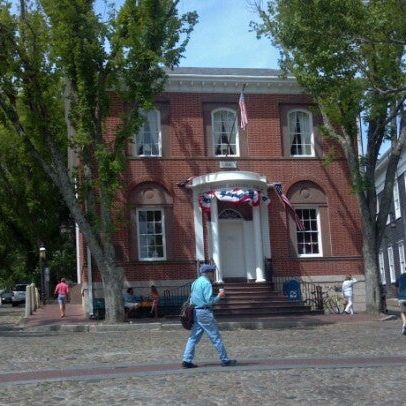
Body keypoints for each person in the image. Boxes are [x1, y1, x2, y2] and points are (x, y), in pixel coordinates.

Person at [182, 264, 237, 368]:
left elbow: (192, 299)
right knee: (215, 337)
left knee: (193, 337)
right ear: (209, 273)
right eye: (212, 272)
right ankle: (225, 360)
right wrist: (219, 296)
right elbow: (209, 300)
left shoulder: (195, 282)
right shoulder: (206, 283)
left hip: (196, 311)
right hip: (204, 312)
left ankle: (186, 359)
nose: (213, 274)